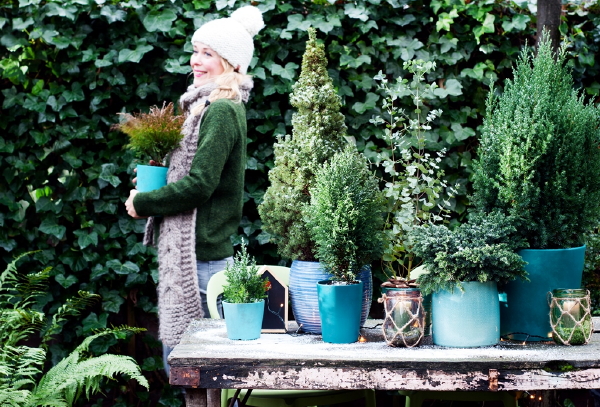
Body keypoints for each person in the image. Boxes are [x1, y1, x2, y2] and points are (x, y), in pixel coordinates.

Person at [124, 5, 264, 376]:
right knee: (197, 371)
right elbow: (190, 175)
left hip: (201, 260)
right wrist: (157, 180)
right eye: (195, 50)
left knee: (199, 373)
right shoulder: (204, 105)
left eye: (208, 54)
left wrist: (145, 202)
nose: (196, 61)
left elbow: (201, 185)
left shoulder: (220, 110)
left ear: (231, 62)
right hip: (198, 254)